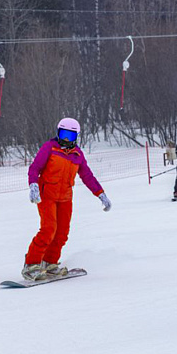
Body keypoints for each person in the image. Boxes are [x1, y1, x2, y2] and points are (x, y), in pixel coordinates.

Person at [22, 117, 112, 280]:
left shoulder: (77, 154)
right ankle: (31, 264)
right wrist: (33, 184)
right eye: (62, 134)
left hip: (65, 197)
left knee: (62, 233)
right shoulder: (49, 148)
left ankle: (49, 263)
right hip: (46, 195)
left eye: (69, 136)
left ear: (76, 137)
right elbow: (35, 167)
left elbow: (87, 176)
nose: (65, 139)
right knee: (49, 229)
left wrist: (101, 194)